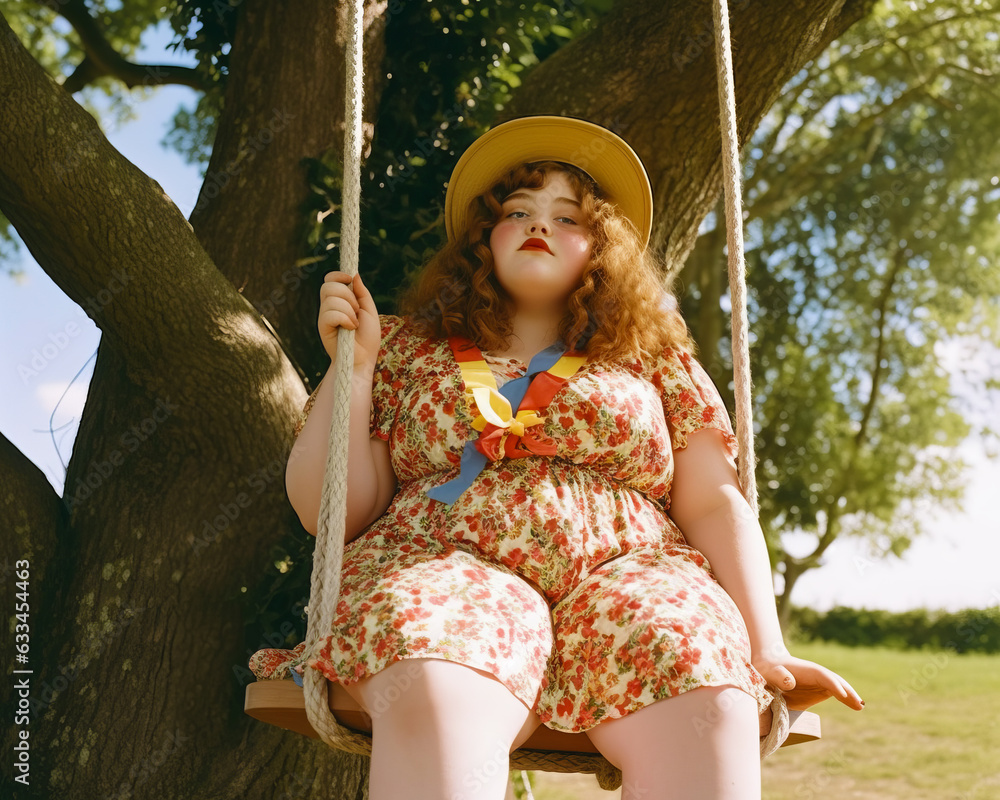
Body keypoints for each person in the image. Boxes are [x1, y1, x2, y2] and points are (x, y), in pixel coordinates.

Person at [251, 116, 864, 800]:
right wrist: (355, 368)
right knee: (433, 673)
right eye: (517, 210)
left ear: (602, 248)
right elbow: (327, 510)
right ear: (484, 236)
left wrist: (767, 644)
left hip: (631, 574)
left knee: (705, 687)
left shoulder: (655, 364)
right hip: (452, 564)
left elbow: (714, 499)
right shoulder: (401, 349)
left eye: (568, 216)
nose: (539, 223)